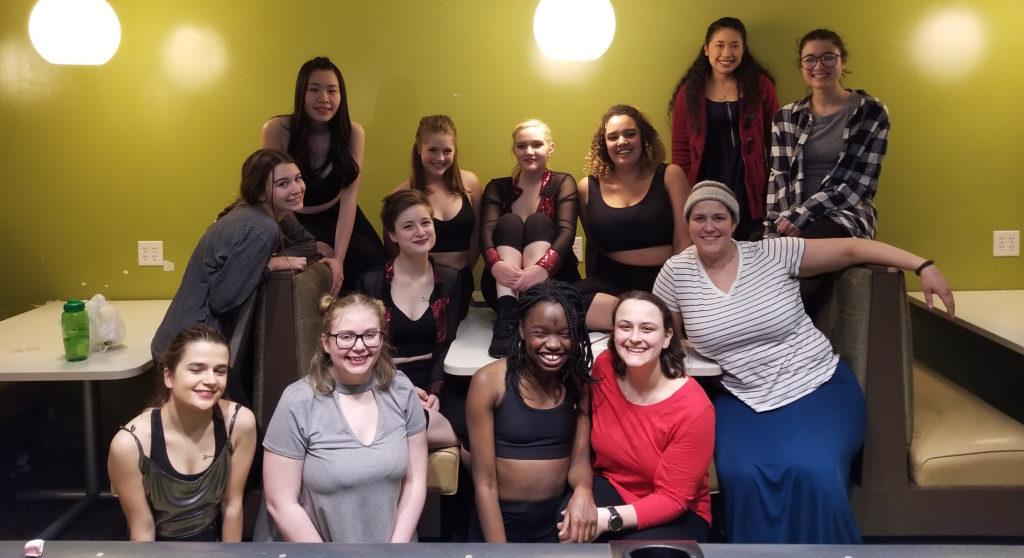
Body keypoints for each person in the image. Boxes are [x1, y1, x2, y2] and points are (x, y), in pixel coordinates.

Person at [652, 181, 955, 544]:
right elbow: (663, 336)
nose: (709, 226)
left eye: (719, 217)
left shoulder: (774, 253)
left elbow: (852, 249)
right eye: (699, 218)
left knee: (815, 470)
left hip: (817, 385)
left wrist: (922, 264)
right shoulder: (676, 272)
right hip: (742, 397)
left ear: (733, 222)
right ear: (689, 224)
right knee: (741, 473)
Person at [151, 149, 316, 403]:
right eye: (283, 184)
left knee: (236, 425)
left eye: (298, 178)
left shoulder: (262, 214)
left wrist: (264, 258)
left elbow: (307, 245)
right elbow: (223, 298)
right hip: (191, 349)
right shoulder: (262, 227)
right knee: (238, 427)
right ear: (261, 192)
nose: (296, 188)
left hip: (184, 341)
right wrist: (269, 265)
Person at [260, 293, 428, 542]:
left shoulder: (401, 390)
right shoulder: (298, 401)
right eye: (346, 337)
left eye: (370, 334)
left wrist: (395, 551)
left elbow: (415, 483)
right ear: (326, 343)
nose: (359, 346)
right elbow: (281, 504)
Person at [576, 291, 713, 542]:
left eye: (647, 329)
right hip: (613, 486)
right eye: (625, 327)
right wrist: (582, 493)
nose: (634, 338)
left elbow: (673, 499)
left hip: (677, 511)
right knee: (566, 524)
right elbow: (583, 425)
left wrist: (605, 519)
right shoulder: (603, 367)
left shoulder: (694, 408)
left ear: (667, 337)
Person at [466, 281, 597, 543]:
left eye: (565, 333)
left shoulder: (578, 383)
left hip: (556, 521)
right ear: (522, 330)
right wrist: (501, 552)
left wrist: (583, 490)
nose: (553, 344)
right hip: (498, 520)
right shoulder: (489, 382)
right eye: (541, 332)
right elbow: (485, 484)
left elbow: (580, 460)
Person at [109, 325, 257, 542]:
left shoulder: (240, 423)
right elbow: (142, 526)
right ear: (169, 376)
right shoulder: (130, 445)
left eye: (220, 370)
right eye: (196, 369)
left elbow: (232, 506)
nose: (211, 380)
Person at [261, 56, 387, 294]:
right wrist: (304, 242)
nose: (324, 98)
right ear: (301, 93)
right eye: (314, 89)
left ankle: (358, 324)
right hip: (293, 219)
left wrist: (339, 258)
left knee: (376, 264)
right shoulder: (277, 130)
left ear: (341, 95)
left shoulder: (353, 133)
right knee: (318, 260)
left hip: (338, 212)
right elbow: (270, 194)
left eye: (332, 90)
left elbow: (350, 198)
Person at [356, 189, 461, 448]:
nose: (421, 231)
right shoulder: (371, 281)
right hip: (382, 380)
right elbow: (360, 347)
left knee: (471, 432)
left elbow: (448, 342)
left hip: (436, 380)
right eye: (408, 226)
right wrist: (399, 387)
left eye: (426, 222)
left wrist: (435, 392)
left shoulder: (450, 279)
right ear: (393, 235)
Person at [765, 29, 890, 241]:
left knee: (808, 246)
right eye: (810, 59)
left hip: (845, 214)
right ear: (802, 66)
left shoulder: (871, 112)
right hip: (792, 217)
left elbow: (859, 184)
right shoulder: (785, 117)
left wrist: (804, 215)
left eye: (828, 57)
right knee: (763, 254)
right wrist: (776, 227)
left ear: (843, 62)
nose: (819, 66)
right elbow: (779, 179)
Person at [576, 105, 692, 331]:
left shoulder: (670, 175)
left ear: (643, 137)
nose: (622, 141)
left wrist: (680, 291)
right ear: (604, 144)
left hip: (664, 279)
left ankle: (640, 320)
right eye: (613, 137)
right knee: (563, 299)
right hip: (612, 284)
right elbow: (593, 246)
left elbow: (685, 241)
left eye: (630, 134)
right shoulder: (586, 187)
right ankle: (651, 320)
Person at [669, 17, 779, 241]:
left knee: (750, 244)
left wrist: (772, 187)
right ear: (707, 49)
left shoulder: (761, 86)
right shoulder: (690, 91)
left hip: (749, 183)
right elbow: (680, 147)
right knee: (713, 241)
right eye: (719, 45)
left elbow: (776, 140)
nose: (727, 53)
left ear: (743, 49)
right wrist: (687, 190)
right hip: (707, 181)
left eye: (735, 45)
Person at [480, 119, 581, 357]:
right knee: (510, 221)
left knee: (537, 221)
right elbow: (486, 231)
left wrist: (542, 269)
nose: (529, 151)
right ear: (514, 150)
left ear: (550, 148)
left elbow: (567, 231)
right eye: (521, 146)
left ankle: (537, 313)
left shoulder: (562, 182)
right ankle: (507, 321)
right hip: (503, 285)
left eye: (537, 144)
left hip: (552, 281)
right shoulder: (497, 187)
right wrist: (495, 264)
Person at [392, 115, 480, 314]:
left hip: (462, 280)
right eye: (432, 150)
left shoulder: (470, 184)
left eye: (447, 150)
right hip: (421, 285)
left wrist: (464, 273)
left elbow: (477, 236)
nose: (440, 158)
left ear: (455, 151)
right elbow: (393, 246)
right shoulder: (402, 193)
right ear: (418, 149)